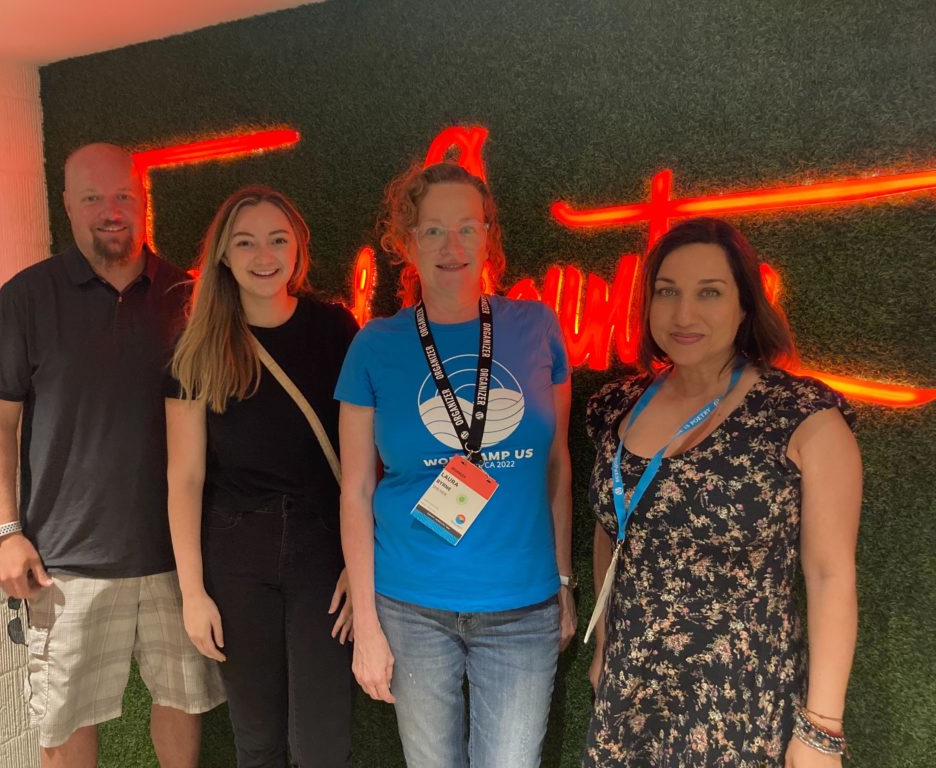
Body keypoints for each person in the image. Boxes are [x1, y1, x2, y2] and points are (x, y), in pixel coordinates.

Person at [0, 143, 224, 768]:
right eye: (92, 198)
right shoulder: (27, 297)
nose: (110, 212)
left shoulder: (189, 298)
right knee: (64, 722)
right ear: (67, 205)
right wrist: (4, 534)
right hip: (66, 564)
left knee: (183, 706)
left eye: (122, 197)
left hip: (177, 560)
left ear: (142, 202)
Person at [582, 217, 861, 766]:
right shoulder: (617, 406)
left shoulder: (802, 416)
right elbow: (610, 529)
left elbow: (831, 576)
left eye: (709, 292)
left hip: (741, 701)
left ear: (744, 304)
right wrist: (607, 642)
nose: (684, 315)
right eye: (667, 293)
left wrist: (821, 729)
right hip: (631, 689)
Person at [335, 161, 577, 768]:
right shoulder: (375, 344)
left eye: (467, 228)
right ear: (407, 243)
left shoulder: (536, 328)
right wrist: (366, 622)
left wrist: (566, 582)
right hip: (411, 606)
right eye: (433, 230)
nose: (451, 245)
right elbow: (356, 489)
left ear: (489, 237)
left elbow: (557, 466)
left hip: (522, 609)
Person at [166, 185, 359, 768]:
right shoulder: (197, 347)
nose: (263, 254)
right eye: (245, 242)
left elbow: (361, 464)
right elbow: (185, 478)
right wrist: (193, 593)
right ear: (223, 254)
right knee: (256, 741)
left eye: (278, 239)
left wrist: (359, 560)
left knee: (321, 743)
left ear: (298, 247)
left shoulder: (336, 330)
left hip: (322, 553)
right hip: (234, 556)